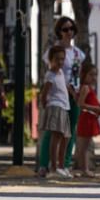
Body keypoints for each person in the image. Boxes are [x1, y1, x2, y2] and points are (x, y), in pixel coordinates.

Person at [37, 18, 86, 178]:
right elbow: (51, 71)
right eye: (65, 29)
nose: (69, 32)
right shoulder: (53, 51)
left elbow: (78, 74)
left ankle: (63, 164)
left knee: (68, 132)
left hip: (73, 95)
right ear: (59, 31)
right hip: (57, 95)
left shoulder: (78, 53)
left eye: (71, 28)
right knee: (52, 132)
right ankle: (45, 164)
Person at [38, 45, 73, 179]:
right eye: (57, 59)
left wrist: (73, 94)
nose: (60, 62)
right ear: (51, 59)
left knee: (66, 137)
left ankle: (61, 166)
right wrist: (47, 106)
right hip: (56, 106)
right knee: (56, 136)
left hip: (65, 106)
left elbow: (66, 86)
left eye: (62, 59)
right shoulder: (50, 74)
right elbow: (44, 93)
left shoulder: (61, 73)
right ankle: (53, 167)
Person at [73, 62, 100, 177]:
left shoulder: (90, 88)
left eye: (95, 75)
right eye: (91, 75)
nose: (93, 77)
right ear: (84, 75)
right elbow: (81, 104)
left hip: (90, 119)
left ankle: (84, 169)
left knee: (85, 146)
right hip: (86, 119)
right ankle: (84, 169)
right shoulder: (85, 88)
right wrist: (96, 108)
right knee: (83, 147)